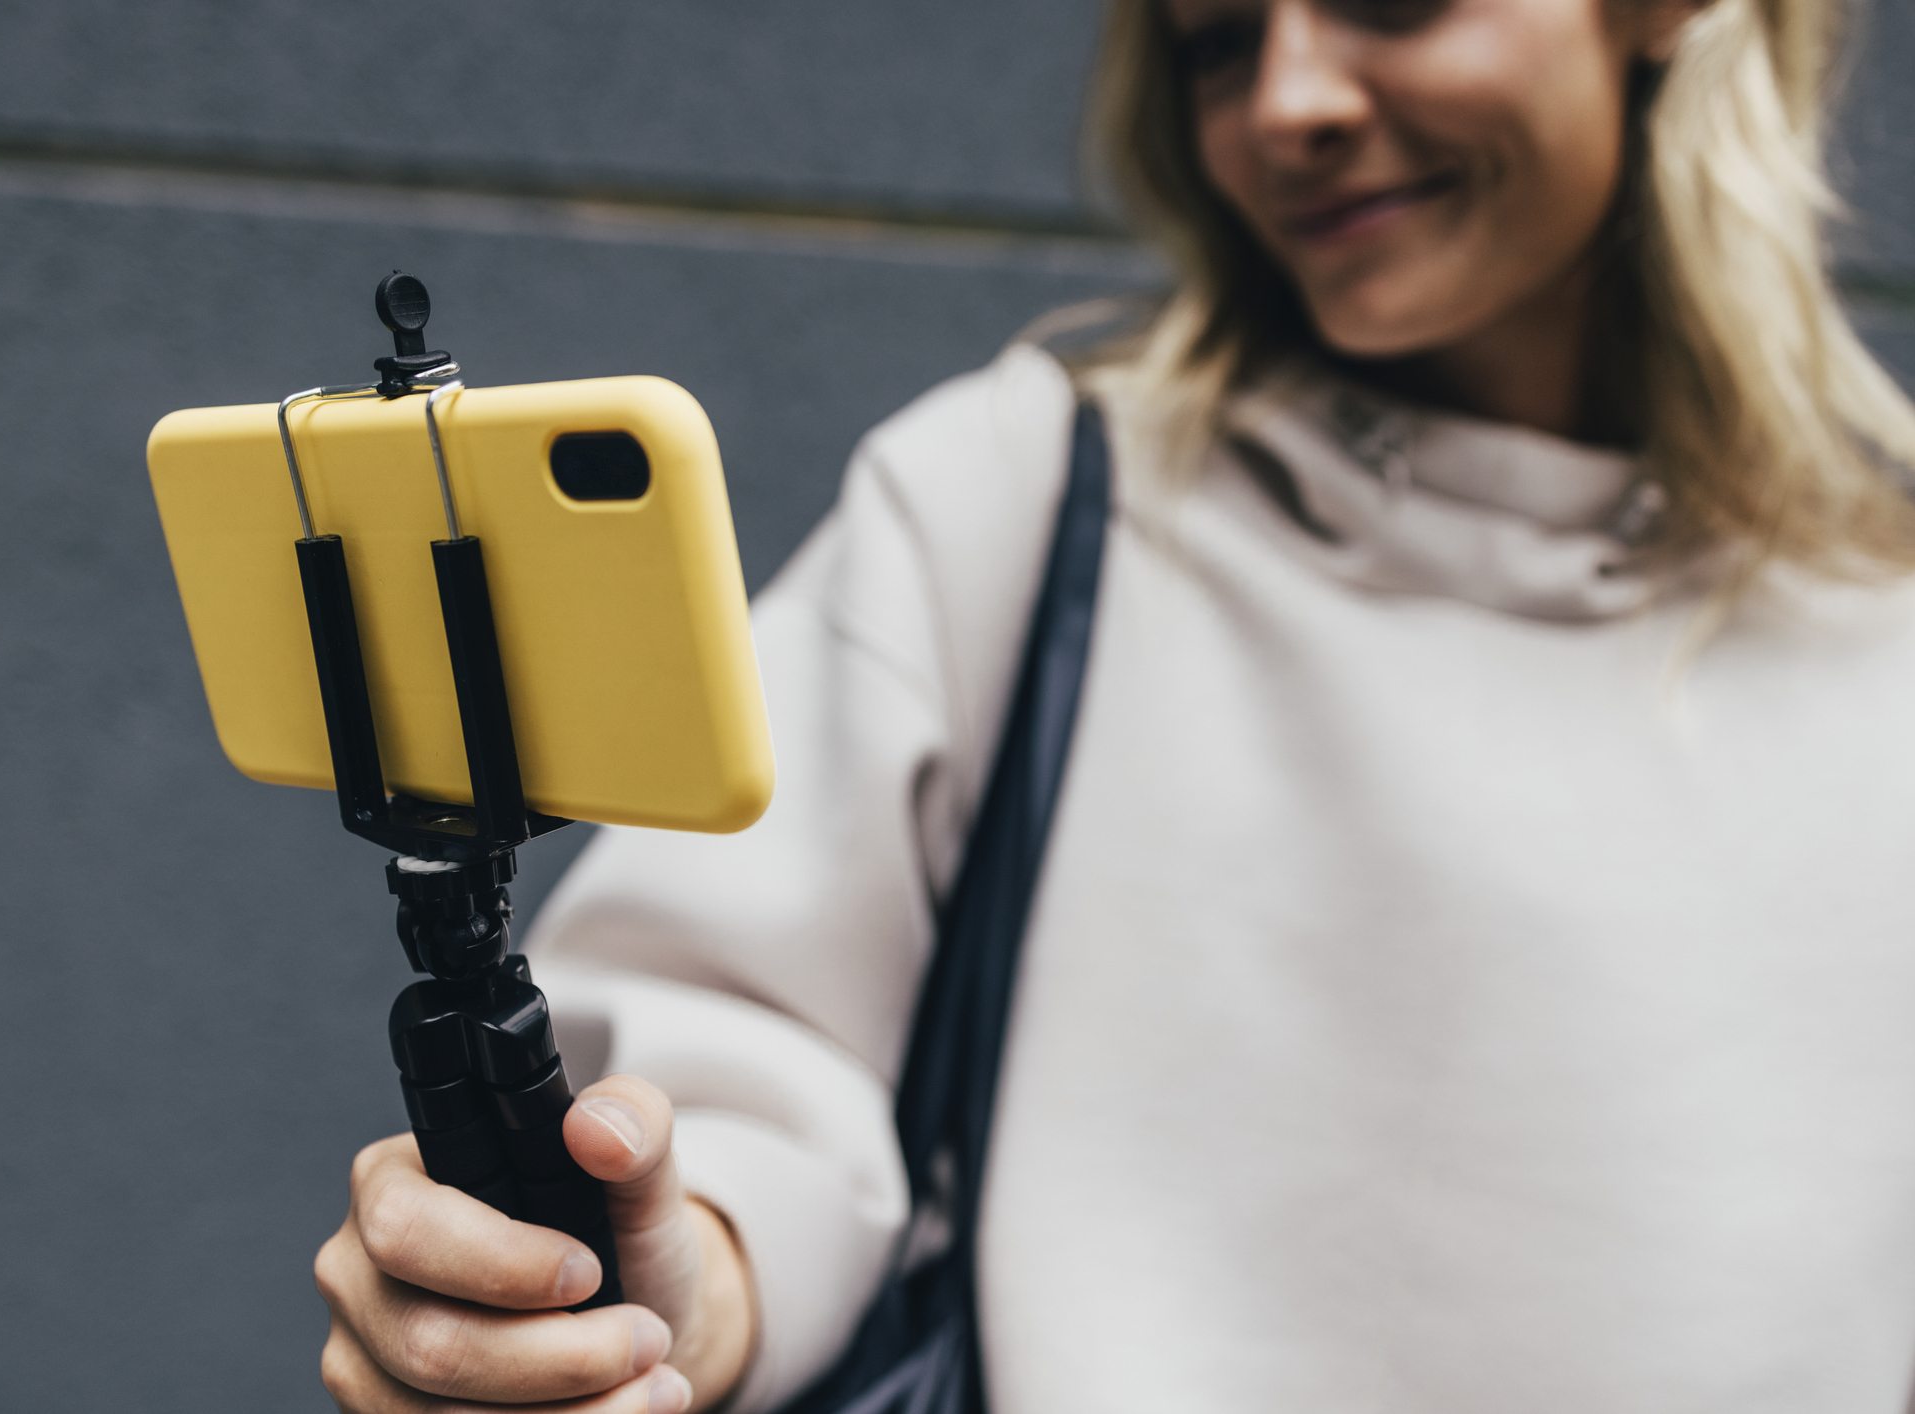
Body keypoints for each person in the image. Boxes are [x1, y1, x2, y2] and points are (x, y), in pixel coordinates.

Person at [313, 0, 1915, 1409]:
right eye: (1218, 41)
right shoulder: (1034, 502)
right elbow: (724, 1077)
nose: (1289, 103)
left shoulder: (1885, 632)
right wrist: (658, 1281)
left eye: (1388, 1)